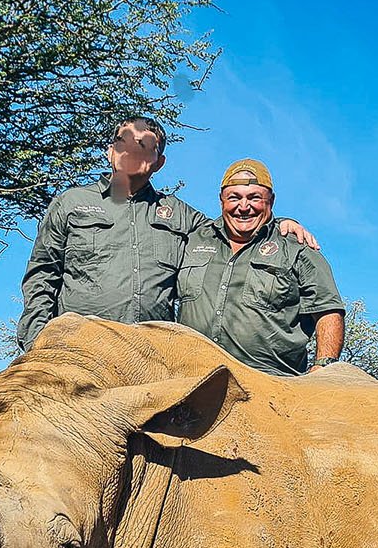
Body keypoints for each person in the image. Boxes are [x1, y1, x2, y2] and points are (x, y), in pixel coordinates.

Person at [17, 118, 315, 351]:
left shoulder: (181, 215)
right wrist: (37, 342)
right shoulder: (70, 203)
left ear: (159, 162)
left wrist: (280, 221)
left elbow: (234, 224)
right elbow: (42, 277)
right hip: (78, 349)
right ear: (111, 151)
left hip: (150, 357)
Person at [176, 158, 345, 376]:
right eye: (234, 197)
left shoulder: (297, 248)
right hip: (191, 377)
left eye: (254, 198)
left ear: (271, 201)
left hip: (270, 382)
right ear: (221, 201)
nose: (243, 207)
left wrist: (323, 367)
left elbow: (328, 311)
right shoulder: (193, 239)